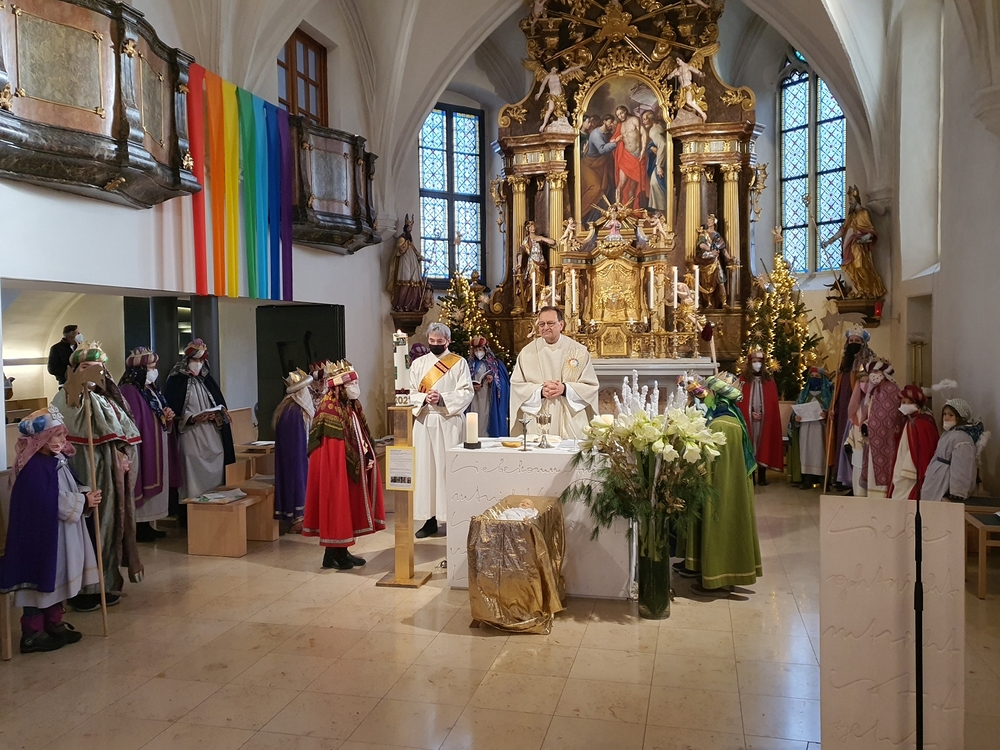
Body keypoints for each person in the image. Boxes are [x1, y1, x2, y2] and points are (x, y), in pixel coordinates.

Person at [0, 407, 101, 653]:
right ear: (40, 439)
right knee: (40, 580)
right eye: (57, 435)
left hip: (60, 532)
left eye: (63, 434)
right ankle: (33, 632)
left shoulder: (56, 461)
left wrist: (85, 493)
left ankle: (53, 623)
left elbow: (67, 487)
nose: (62, 440)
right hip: (41, 536)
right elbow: (47, 500)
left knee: (56, 579)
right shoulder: (33, 467)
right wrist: (82, 501)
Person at [51, 343, 142, 610]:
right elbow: (65, 434)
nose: (91, 372)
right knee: (87, 530)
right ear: (74, 370)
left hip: (111, 476)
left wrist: (123, 456)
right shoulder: (65, 399)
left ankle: (107, 582)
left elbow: (124, 435)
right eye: (85, 367)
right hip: (83, 472)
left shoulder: (108, 399)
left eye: (97, 367)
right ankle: (83, 589)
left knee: (110, 527)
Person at [679, 373, 761, 592]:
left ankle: (718, 575)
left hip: (721, 484)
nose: (708, 395)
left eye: (711, 391)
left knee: (719, 519)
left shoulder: (720, 424)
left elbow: (710, 460)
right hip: (730, 480)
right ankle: (701, 565)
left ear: (717, 394)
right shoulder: (731, 414)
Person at [303, 361, 386, 568]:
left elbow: (359, 434)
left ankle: (340, 552)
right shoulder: (329, 410)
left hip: (349, 466)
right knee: (337, 507)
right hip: (336, 470)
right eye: (351, 384)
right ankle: (332, 555)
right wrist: (344, 467)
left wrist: (366, 455)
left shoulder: (350, 405)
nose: (355, 387)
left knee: (346, 508)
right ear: (340, 387)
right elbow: (333, 449)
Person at [409, 323, 474, 538]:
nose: (435, 344)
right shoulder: (418, 364)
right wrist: (423, 398)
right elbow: (409, 392)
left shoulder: (458, 363)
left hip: (449, 421)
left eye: (440, 341)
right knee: (426, 470)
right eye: (432, 340)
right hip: (425, 420)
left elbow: (467, 391)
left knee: (448, 470)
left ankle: (453, 517)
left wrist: (443, 398)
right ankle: (430, 520)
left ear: (448, 341)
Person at [510, 306, 599, 440]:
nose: (545, 327)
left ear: (561, 325)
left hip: (570, 418)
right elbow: (517, 386)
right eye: (541, 324)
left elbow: (591, 387)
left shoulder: (579, 351)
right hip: (538, 418)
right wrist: (540, 391)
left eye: (550, 323)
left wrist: (565, 389)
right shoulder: (527, 353)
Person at [164, 339, 235, 500]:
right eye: (195, 360)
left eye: (201, 361)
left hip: (212, 434)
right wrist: (192, 418)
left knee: (217, 464)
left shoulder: (207, 380)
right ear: (187, 360)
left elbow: (220, 406)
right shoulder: (176, 381)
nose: (198, 364)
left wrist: (216, 415)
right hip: (190, 434)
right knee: (191, 469)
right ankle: (192, 507)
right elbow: (173, 410)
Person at [119, 347, 177, 543]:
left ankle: (148, 525)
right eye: (151, 367)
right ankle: (139, 526)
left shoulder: (149, 388)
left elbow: (156, 412)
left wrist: (167, 415)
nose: (154, 371)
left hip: (157, 441)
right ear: (140, 369)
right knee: (141, 482)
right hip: (142, 446)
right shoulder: (129, 390)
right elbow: (133, 421)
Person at [826, 325, 877, 490]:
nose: (853, 343)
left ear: (863, 342)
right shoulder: (845, 362)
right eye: (851, 340)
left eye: (857, 340)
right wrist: (833, 406)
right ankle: (840, 476)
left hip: (859, 407)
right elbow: (838, 387)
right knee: (841, 440)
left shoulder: (869, 359)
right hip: (842, 407)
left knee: (854, 442)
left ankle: (853, 478)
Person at [821, 185, 887, 299]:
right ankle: (860, 290)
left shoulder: (863, 213)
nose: (849, 202)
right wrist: (829, 242)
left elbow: (870, 230)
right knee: (852, 269)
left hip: (859, 246)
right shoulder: (850, 216)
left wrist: (866, 237)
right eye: (849, 199)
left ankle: (868, 290)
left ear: (856, 199)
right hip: (849, 247)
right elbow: (842, 230)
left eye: (851, 199)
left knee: (860, 267)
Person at [922, 398, 989, 502]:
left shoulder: (962, 438)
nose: (946, 418)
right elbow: (937, 455)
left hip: (946, 480)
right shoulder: (948, 434)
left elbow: (962, 466)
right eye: (944, 414)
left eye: (951, 415)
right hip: (936, 478)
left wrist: (958, 492)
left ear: (960, 417)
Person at [273, 368, 314, 533]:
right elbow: (294, 441)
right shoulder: (292, 412)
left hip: (300, 455)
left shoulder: (295, 409)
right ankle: (297, 519)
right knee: (297, 483)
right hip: (295, 458)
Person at [857, 360, 903, 498]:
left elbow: (890, 414)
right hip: (874, 436)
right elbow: (873, 411)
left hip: (887, 438)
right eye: (871, 372)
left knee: (885, 464)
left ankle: (884, 494)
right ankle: (872, 494)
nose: (873, 375)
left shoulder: (891, 389)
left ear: (884, 373)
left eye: (876, 372)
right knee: (872, 466)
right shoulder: (875, 390)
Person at [738, 349, 784, 486]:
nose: (757, 364)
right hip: (749, 419)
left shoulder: (769, 381)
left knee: (763, 444)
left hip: (764, 420)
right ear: (749, 363)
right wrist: (750, 412)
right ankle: (751, 475)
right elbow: (740, 401)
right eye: (754, 361)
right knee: (751, 446)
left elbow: (772, 403)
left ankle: (762, 476)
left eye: (759, 361)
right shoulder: (742, 380)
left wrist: (764, 413)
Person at [888, 385, 939, 500]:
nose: (904, 405)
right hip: (901, 466)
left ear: (917, 405)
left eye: (909, 402)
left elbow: (923, 449)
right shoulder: (907, 420)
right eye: (903, 402)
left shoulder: (922, 422)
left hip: (910, 470)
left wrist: (908, 469)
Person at [788, 367, 833, 490]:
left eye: (817, 377)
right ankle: (806, 479)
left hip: (820, 429)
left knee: (820, 453)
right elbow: (796, 411)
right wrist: (796, 418)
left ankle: (823, 479)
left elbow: (833, 413)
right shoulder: (804, 394)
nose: (814, 379)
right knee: (806, 452)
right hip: (805, 428)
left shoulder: (828, 395)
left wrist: (826, 415)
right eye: (812, 376)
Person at [466, 335, 511, 438]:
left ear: (486, 349)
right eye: (476, 350)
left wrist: (493, 382)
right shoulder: (469, 364)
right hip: (474, 398)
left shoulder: (495, 364)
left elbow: (504, 383)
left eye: (480, 349)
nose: (478, 352)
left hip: (488, 398)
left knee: (485, 418)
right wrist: (471, 385)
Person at [386, 214, 427, 312]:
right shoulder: (402, 238)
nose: (410, 229)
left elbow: (414, 249)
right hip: (405, 261)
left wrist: (420, 257)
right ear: (405, 227)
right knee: (405, 282)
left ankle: (411, 305)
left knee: (414, 283)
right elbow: (399, 250)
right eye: (409, 227)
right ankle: (400, 305)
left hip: (412, 261)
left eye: (411, 227)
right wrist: (405, 244)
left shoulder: (410, 238)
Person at [612, 105, 647, 207]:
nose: (620, 116)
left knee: (633, 186)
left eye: (621, 113)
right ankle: (618, 209)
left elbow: (644, 133)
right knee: (621, 184)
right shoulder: (620, 126)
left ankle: (629, 211)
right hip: (625, 156)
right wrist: (616, 140)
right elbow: (613, 140)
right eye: (618, 115)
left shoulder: (634, 120)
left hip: (636, 156)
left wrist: (643, 150)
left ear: (625, 111)